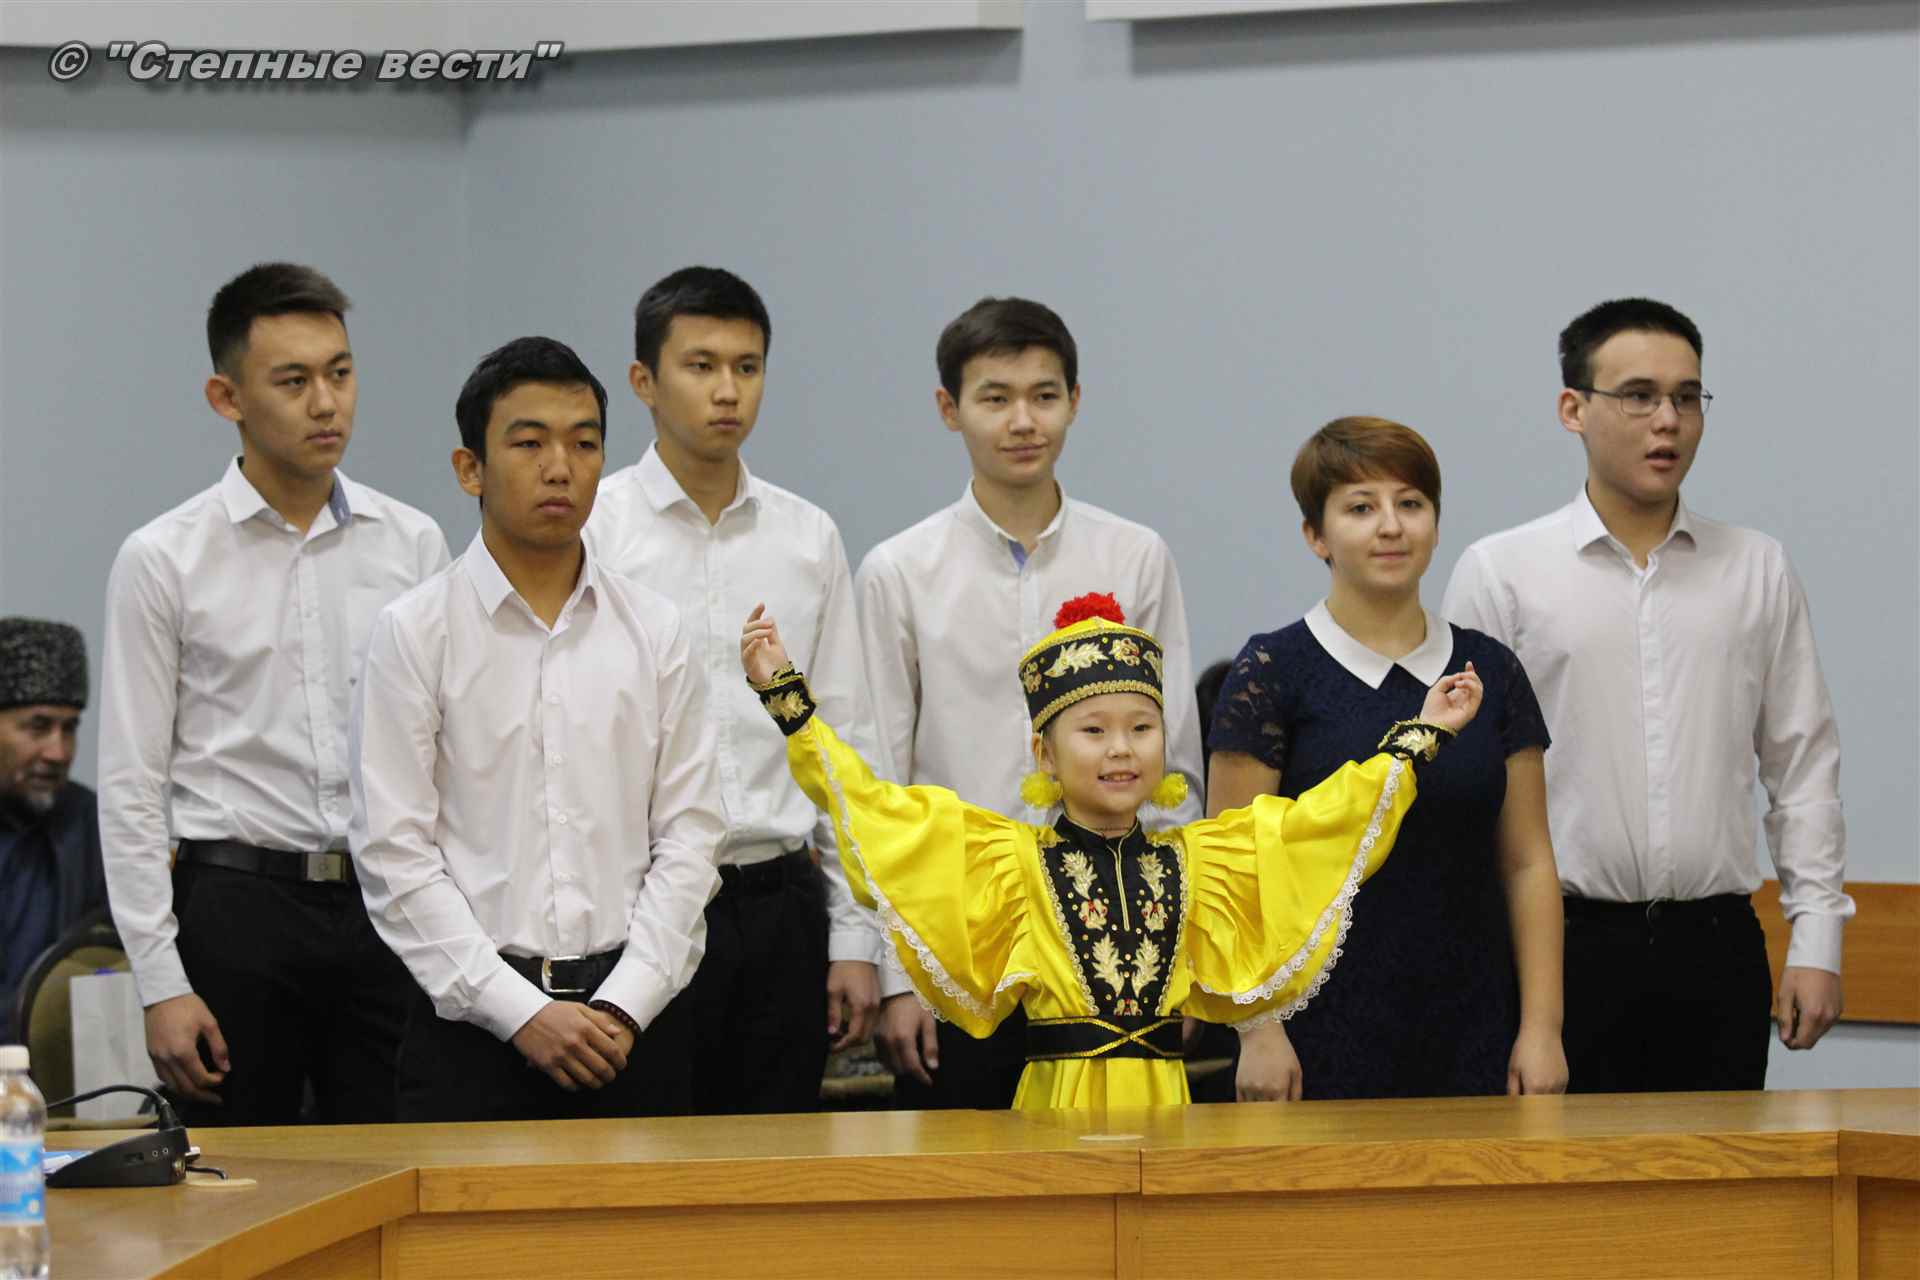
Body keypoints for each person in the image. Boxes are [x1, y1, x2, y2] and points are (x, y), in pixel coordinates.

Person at [741, 592, 1480, 1109]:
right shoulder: (1011, 862)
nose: (1121, 749)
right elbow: (872, 803)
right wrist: (787, 700)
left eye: (1141, 728)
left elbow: (1324, 822)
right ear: (1045, 753)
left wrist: (1422, 735)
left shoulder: (1203, 862)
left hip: (1166, 1104)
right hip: (1054, 1109)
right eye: (1093, 731)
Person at [1443, 298, 1851, 1092]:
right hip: (1554, 951)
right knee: (1555, 1175)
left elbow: (1801, 763)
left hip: (1716, 945)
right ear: (1574, 409)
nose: (1668, 421)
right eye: (1638, 396)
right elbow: (1463, 783)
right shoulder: (1503, 573)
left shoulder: (1756, 568)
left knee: (1723, 1173)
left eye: (1686, 397)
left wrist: (1817, 939)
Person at [98, 264, 449, 1125]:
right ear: (227, 397)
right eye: (293, 382)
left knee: (397, 1161)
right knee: (236, 1170)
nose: (327, 404)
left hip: (385, 901)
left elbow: (450, 752)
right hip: (235, 902)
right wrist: (160, 982)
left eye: (340, 372)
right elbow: (131, 784)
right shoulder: (164, 558)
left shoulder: (412, 543)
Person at [350, 336, 725, 1122]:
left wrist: (624, 1003)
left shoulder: (654, 629)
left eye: (585, 444)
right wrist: (518, 1011)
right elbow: (394, 853)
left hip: (636, 1024)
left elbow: (691, 834)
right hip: (472, 1031)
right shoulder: (415, 632)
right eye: (529, 444)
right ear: (470, 469)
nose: (561, 467)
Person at [855, 296, 1205, 1108]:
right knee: (968, 1176)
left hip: (1116, 938)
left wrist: (1178, 952)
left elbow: (1174, 767)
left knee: (1120, 1168)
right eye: (995, 397)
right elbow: (877, 787)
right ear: (949, 409)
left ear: (1074, 402)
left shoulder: (1135, 556)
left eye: (1044, 396)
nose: (1023, 421)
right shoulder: (899, 571)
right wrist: (896, 972)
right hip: (958, 939)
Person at [586, 267, 884, 1115]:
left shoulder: (806, 536)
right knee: (644, 1153)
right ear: (643, 381)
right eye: (701, 365)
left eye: (747, 368)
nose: (728, 390)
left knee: (775, 1160)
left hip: (779, 899)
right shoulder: (595, 531)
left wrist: (856, 936)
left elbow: (845, 742)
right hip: (637, 902)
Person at [1209, 418, 1567, 1101]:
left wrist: (1542, 1028)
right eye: (1360, 508)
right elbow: (1233, 868)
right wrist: (1257, 1029)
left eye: (1410, 503)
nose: (1391, 526)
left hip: (1475, 1022)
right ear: (1315, 535)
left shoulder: (1490, 669)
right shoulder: (1273, 671)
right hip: (1311, 1033)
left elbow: (1528, 862)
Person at [0, 619, 107, 1044]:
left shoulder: (92, 824)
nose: (58, 752)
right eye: (38, 726)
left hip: (58, 1068)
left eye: (70, 728)